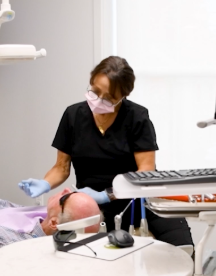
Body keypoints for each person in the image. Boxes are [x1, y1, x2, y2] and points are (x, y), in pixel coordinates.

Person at [18, 56, 193, 247]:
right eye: (95, 91)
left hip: (138, 200)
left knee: (182, 246)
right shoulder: (73, 116)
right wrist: (45, 183)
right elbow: (61, 167)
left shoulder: (137, 117)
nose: (99, 101)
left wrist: (107, 194)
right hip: (93, 205)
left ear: (123, 96)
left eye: (109, 98)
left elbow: (146, 172)